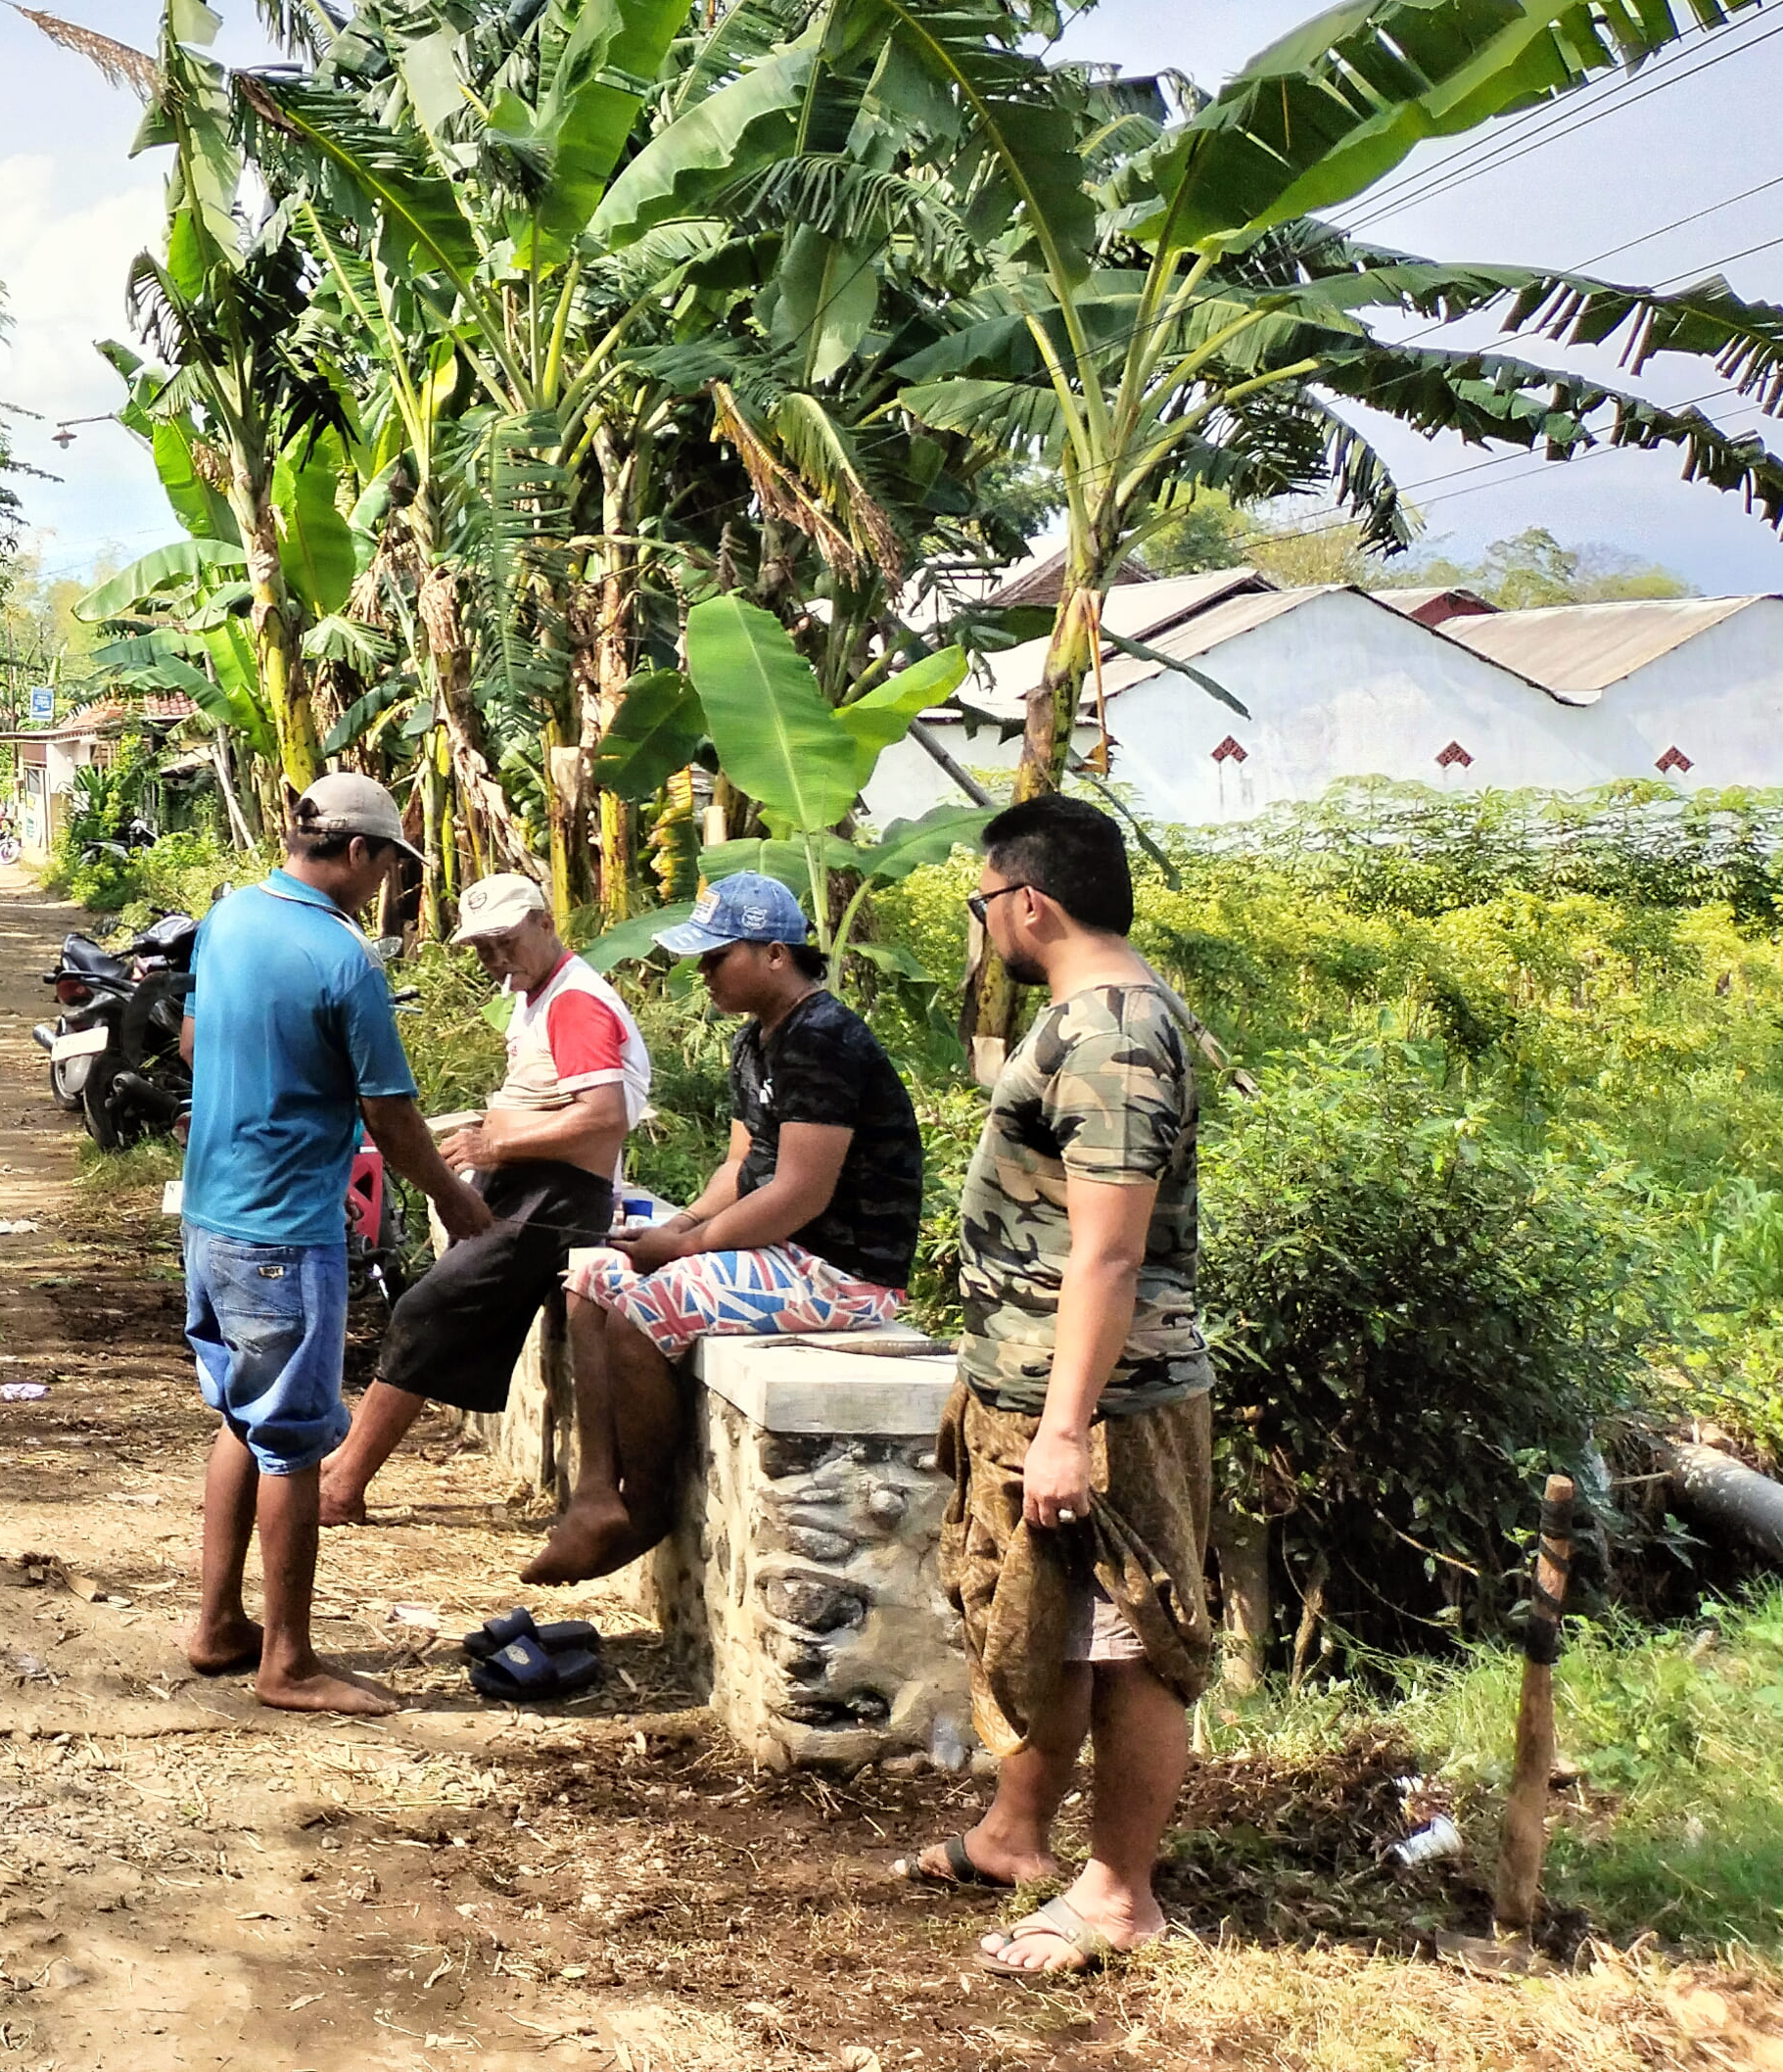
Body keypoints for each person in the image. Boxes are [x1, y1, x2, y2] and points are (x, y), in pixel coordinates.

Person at [907, 794, 1220, 1981]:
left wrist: (1066, 1428)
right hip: (1040, 1382)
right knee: (1054, 1628)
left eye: (983, 902)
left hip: (1107, 1397)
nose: (983, 922)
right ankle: (1013, 1835)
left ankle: (1118, 1896)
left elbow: (1108, 1248)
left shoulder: (1114, 1035)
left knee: (1130, 1635)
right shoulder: (1095, 1016)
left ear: (1027, 900)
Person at [177, 771, 493, 1714]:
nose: (387, 877)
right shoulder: (343, 960)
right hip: (284, 1227)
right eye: (388, 860)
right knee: (294, 1442)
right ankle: (290, 1662)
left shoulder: (229, 918)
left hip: (210, 1213)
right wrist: (457, 1204)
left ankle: (216, 1624)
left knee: (243, 1416)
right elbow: (392, 1119)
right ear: (358, 853)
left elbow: (194, 1042)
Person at [529, 870, 925, 1584]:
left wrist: (682, 1250)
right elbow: (744, 1166)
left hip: (842, 1270)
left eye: (717, 958)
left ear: (775, 953)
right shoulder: (757, 1043)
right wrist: (675, 1227)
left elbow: (801, 1191)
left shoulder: (822, 1037)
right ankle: (594, 1493)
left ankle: (646, 1509)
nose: (705, 973)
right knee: (590, 1278)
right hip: (784, 1250)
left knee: (644, 1311)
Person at [308, 871, 651, 1525]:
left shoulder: (577, 1002)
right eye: (482, 947)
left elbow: (604, 1116)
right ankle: (346, 1464)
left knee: (426, 1308)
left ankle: (345, 1481)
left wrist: (497, 1149)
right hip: (530, 1186)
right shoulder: (540, 995)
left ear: (544, 924)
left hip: (556, 1196)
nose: (495, 958)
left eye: (505, 941)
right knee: (431, 1309)